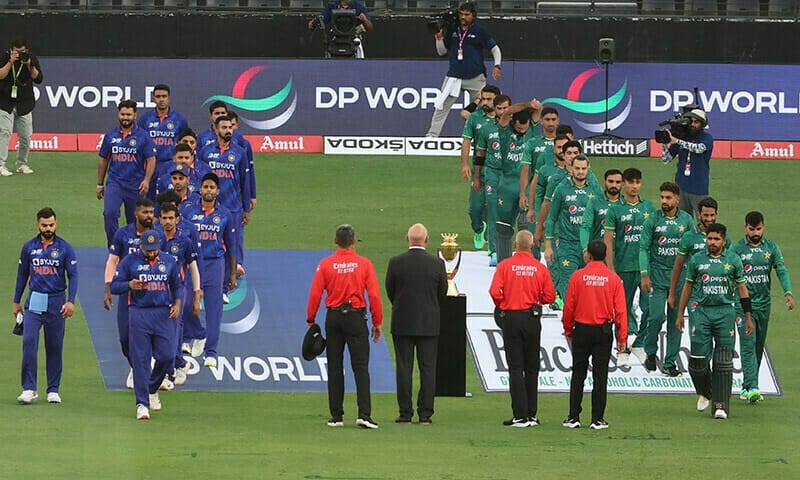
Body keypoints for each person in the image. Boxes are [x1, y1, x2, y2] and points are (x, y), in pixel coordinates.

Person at [306, 224, 383, 429]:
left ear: (335, 241)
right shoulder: (364, 264)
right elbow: (374, 295)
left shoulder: (326, 264)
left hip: (333, 317)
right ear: (354, 241)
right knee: (360, 367)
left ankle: (336, 416)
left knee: (334, 367)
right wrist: (377, 322)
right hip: (356, 317)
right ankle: (364, 414)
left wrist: (310, 319)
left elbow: (315, 293)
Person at [676, 223, 753, 420]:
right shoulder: (697, 260)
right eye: (709, 238)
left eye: (716, 239)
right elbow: (687, 287)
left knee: (723, 361)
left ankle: (721, 406)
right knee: (697, 362)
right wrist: (680, 314)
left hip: (725, 312)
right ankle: (706, 392)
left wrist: (748, 316)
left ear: (723, 241)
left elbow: (742, 290)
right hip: (701, 312)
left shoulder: (733, 260)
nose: (712, 242)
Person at [110, 230, 184, 420]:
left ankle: (151, 388)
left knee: (167, 356)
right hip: (139, 313)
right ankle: (142, 403)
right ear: (141, 246)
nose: (151, 254)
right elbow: (114, 285)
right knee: (141, 360)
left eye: (154, 250)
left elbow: (177, 285)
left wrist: (177, 303)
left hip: (163, 314)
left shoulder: (168, 261)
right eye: (147, 250)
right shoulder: (130, 261)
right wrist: (129, 285)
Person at [490, 230, 555, 427]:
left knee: (516, 368)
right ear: (532, 245)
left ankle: (519, 414)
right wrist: (537, 300)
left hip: (511, 317)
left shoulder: (504, 266)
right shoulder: (539, 268)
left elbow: (494, 291)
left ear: (514, 245)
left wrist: (503, 304)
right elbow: (550, 296)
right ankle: (531, 414)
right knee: (532, 367)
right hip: (532, 318)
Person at [13, 207, 78, 404]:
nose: (48, 228)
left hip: (57, 300)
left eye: (51, 225)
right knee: (29, 342)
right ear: (37, 225)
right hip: (35, 299)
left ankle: (53, 389)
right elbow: (22, 274)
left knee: (54, 346)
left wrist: (71, 301)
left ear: (56, 224)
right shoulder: (28, 248)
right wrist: (16, 301)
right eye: (44, 225)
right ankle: (29, 388)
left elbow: (73, 275)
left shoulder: (65, 248)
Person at [385, 223, 447, 425]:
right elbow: (442, 292)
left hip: (403, 321)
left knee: (404, 368)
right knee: (428, 369)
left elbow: (390, 291)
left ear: (407, 239)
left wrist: (402, 306)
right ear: (427, 240)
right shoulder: (436, 264)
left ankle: (405, 413)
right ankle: (425, 414)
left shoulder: (396, 262)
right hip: (429, 323)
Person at [561, 240, 627, 430]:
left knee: (577, 373)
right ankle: (597, 419)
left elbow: (569, 306)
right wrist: (622, 338)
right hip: (603, 332)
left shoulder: (577, 276)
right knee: (600, 375)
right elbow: (621, 311)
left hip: (581, 330)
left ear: (588, 255)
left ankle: (573, 417)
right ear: (605, 256)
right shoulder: (613, 279)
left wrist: (568, 329)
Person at [732, 211, 794, 403]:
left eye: (758, 229)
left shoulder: (771, 248)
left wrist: (788, 292)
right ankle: (753, 387)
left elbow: (781, 270)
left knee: (759, 347)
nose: (755, 233)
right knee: (748, 345)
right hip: (743, 306)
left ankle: (747, 386)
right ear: (746, 228)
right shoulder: (737, 249)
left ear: (764, 227)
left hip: (764, 305)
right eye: (752, 229)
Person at [638, 182, 693, 376]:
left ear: (677, 199)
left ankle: (670, 363)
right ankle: (650, 352)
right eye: (662, 197)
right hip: (657, 278)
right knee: (656, 317)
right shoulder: (652, 219)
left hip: (679, 280)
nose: (664, 201)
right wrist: (644, 273)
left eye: (668, 198)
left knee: (675, 322)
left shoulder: (686, 221)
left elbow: (692, 250)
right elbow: (643, 247)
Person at [183, 173, 237, 367]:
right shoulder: (189, 211)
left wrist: (231, 273)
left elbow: (232, 245)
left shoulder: (224, 215)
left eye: (212, 187)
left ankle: (211, 352)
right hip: (193, 264)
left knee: (214, 310)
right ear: (200, 189)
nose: (208, 190)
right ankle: (197, 334)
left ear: (217, 191)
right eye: (205, 187)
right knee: (187, 302)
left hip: (215, 264)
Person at [603, 167, 654, 367]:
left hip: (645, 269)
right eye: (630, 182)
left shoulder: (648, 207)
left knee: (649, 309)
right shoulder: (614, 209)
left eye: (637, 182)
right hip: (622, 267)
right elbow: (608, 240)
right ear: (623, 184)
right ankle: (622, 348)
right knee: (621, 310)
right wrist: (610, 268)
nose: (634, 187)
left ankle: (640, 344)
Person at [426, 2, 501, 137]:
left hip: (475, 76)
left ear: (473, 15)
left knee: (483, 108)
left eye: (467, 14)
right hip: (454, 76)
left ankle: (484, 136)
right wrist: (438, 37)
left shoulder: (479, 30)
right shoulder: (453, 30)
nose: (463, 17)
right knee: (441, 106)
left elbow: (494, 48)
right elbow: (441, 51)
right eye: (461, 14)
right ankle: (432, 135)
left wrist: (497, 65)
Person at [103, 198, 156, 388]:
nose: (149, 216)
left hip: (153, 295)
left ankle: (144, 370)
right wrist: (108, 287)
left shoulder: (159, 235)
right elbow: (112, 261)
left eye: (151, 212)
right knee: (125, 338)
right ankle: (136, 367)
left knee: (149, 336)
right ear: (136, 213)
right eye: (145, 212)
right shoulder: (123, 234)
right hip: (128, 292)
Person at [97, 99, 157, 247]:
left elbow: (151, 159)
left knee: (135, 220)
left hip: (136, 185)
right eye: (123, 114)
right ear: (118, 114)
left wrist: (147, 180)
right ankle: (114, 248)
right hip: (115, 183)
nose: (125, 117)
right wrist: (99, 184)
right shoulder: (111, 136)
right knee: (109, 214)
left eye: (128, 114)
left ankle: (135, 248)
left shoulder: (143, 136)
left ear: (135, 115)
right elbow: (103, 160)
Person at [155, 202, 202, 387]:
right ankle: (180, 363)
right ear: (159, 219)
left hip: (177, 292)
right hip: (156, 291)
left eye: (171, 218)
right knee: (161, 332)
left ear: (177, 219)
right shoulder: (154, 238)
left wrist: (197, 294)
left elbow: (193, 268)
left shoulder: (184, 241)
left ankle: (169, 372)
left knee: (172, 331)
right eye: (164, 218)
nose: (167, 222)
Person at [544, 153, 603, 299]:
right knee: (568, 284)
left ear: (588, 168)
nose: (580, 172)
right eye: (577, 168)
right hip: (566, 245)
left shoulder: (596, 190)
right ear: (571, 168)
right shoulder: (561, 189)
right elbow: (551, 218)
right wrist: (548, 246)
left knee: (589, 284)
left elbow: (603, 215)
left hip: (590, 246)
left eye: (583, 168)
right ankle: (569, 317)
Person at [460, 84, 500, 250]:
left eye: (490, 99)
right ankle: (478, 228)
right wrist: (464, 164)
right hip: (480, 170)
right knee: (475, 209)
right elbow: (467, 141)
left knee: (495, 208)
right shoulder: (475, 117)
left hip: (499, 172)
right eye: (484, 99)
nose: (486, 102)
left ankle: (493, 242)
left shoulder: (506, 117)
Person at [0, 39, 43, 177]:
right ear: (11, 50)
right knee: (5, 133)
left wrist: (29, 64)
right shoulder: (4, 57)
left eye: (22, 51)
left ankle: (21, 164)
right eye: (17, 52)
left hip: (24, 103)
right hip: (5, 102)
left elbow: (38, 79)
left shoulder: (30, 58)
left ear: (26, 50)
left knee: (26, 136)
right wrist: (10, 62)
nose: (19, 54)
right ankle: (1, 165)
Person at [661, 109, 713, 217]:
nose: (692, 124)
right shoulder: (682, 137)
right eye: (691, 121)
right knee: (683, 223)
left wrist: (677, 141)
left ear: (702, 124)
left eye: (696, 122)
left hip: (699, 189)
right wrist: (665, 143)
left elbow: (699, 148)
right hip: (681, 188)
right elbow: (666, 159)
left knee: (704, 222)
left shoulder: (707, 138)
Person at [136, 84, 189, 185]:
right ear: (154, 99)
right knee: (150, 197)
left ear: (169, 98)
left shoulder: (179, 119)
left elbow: (185, 142)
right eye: (158, 96)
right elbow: (139, 142)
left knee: (169, 196)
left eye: (164, 96)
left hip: (171, 165)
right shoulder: (145, 119)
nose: (161, 99)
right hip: (150, 164)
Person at [308, 0, 373, 58]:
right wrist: (313, 22)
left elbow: (370, 28)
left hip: (352, 38)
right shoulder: (332, 5)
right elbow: (316, 22)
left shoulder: (359, 6)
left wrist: (365, 20)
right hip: (335, 38)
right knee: (328, 45)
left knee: (358, 42)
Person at [580, 169, 623, 251]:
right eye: (610, 181)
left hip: (621, 254)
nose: (614, 185)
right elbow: (585, 227)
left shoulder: (626, 204)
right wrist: (585, 249)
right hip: (599, 253)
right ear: (604, 182)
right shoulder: (594, 202)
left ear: (622, 184)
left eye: (618, 182)